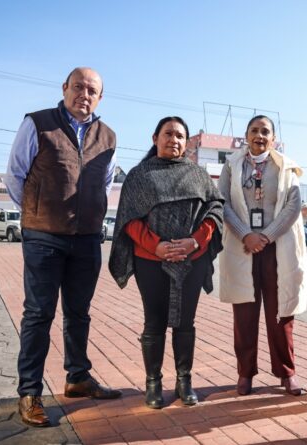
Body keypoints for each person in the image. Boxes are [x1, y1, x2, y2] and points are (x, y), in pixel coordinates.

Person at [6, 67, 120, 428]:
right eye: (78, 87)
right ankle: (30, 392)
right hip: (44, 237)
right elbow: (15, 175)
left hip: (86, 238)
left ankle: (78, 378)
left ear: (100, 97)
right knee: (39, 314)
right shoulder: (38, 123)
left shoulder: (108, 136)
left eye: (92, 90)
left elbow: (104, 184)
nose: (84, 94)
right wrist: (37, 212)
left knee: (79, 313)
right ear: (65, 88)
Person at [109, 117, 224, 409]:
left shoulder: (198, 175)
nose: (174, 140)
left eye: (180, 136)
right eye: (168, 134)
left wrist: (195, 241)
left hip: (192, 259)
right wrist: (156, 246)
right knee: (154, 321)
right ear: (155, 138)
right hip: (150, 260)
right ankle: (153, 382)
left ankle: (184, 381)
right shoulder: (140, 176)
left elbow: (215, 210)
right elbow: (128, 220)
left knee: (186, 322)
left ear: (187, 143)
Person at [217, 115, 307, 396]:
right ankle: (245, 373)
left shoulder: (286, 167)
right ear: (246, 135)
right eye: (254, 130)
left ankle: (286, 372)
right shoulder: (231, 166)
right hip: (242, 247)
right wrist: (246, 234)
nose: (259, 135)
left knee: (281, 313)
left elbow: (293, 206)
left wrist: (266, 236)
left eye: (265, 131)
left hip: (277, 249)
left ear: (273, 138)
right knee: (244, 315)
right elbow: (222, 202)